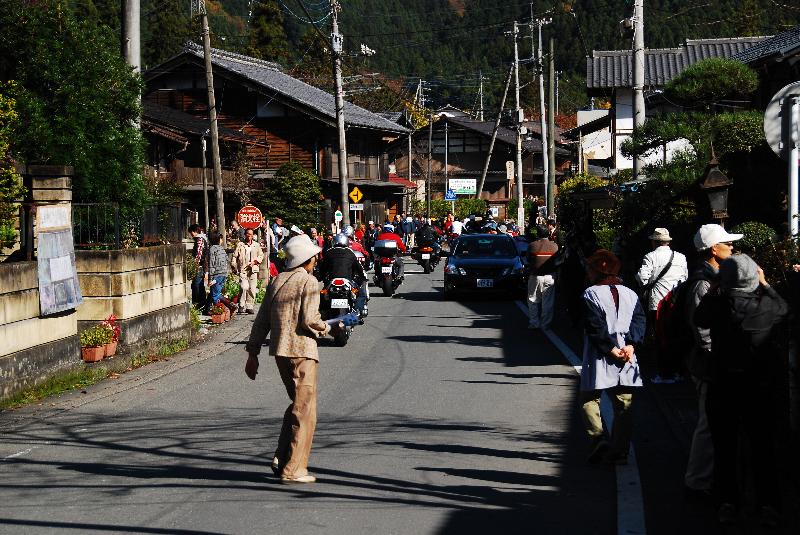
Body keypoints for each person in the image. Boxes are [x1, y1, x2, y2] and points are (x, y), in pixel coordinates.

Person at [245, 236, 354, 484]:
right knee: (305, 411)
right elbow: (310, 320)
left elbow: (262, 320)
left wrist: (253, 353)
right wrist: (332, 326)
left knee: (297, 404)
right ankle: (293, 469)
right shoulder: (309, 282)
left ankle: (282, 456)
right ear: (307, 260)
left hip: (281, 352)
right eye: (314, 256)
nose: (316, 260)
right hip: (302, 351)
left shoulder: (276, 281)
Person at [694, 254, 788, 526]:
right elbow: (785, 310)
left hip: (723, 384)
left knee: (725, 448)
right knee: (762, 447)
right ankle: (768, 503)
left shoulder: (719, 306)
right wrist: (766, 283)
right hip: (759, 387)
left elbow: (700, 317)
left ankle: (727, 502)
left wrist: (714, 288)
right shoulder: (766, 306)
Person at [683, 224, 742, 501]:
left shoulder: (715, 277)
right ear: (712, 250)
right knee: (708, 422)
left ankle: (709, 475)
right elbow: (702, 329)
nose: (732, 248)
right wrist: (713, 354)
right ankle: (697, 479)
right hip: (709, 362)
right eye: (727, 244)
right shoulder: (703, 282)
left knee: (715, 421)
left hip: (716, 359)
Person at [580, 250, 646, 465]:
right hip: (627, 354)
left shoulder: (590, 294)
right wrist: (631, 345)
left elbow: (594, 326)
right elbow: (639, 321)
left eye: (590, 269)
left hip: (600, 353)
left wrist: (610, 349)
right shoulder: (630, 293)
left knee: (590, 397)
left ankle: (598, 439)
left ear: (595, 271)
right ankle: (620, 450)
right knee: (624, 404)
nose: (588, 272)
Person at [635, 227, 688, 383]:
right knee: (675, 337)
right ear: (667, 241)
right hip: (676, 302)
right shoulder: (681, 257)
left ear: (654, 242)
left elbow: (643, 279)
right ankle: (677, 371)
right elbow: (685, 278)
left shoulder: (650, 257)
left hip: (657, 303)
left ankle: (664, 374)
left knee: (660, 338)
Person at [320, 234, 369, 315]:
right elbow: (358, 267)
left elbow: (323, 268)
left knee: (322, 294)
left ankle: (323, 311)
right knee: (361, 293)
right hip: (347, 280)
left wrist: (321, 277)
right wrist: (363, 277)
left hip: (332, 281)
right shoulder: (350, 252)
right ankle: (359, 310)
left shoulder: (328, 252)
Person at [527, 225, 559, 330]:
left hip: (535, 276)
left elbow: (528, 260)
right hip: (550, 276)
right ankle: (545, 324)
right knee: (548, 301)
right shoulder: (554, 246)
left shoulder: (532, 245)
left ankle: (534, 323)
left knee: (533, 300)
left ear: (538, 234)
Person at [231, 228, 265, 314]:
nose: (249, 236)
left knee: (252, 288)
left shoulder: (256, 245)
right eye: (248, 234)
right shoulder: (240, 245)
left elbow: (261, 255)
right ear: (245, 234)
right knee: (244, 286)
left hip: (253, 269)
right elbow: (235, 256)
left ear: (253, 235)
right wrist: (233, 265)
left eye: (251, 234)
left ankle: (249, 306)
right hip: (243, 269)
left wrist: (254, 262)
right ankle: (242, 305)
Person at [205, 231, 237, 315]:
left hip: (216, 275)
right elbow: (227, 260)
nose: (222, 240)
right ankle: (207, 310)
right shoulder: (221, 248)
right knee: (213, 292)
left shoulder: (212, 249)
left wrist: (210, 278)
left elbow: (211, 264)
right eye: (221, 238)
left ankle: (227, 306)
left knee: (216, 295)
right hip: (223, 274)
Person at [188, 224, 209, 308]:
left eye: (191, 232)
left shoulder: (200, 239)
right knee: (200, 285)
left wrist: (194, 265)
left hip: (199, 266)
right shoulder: (203, 238)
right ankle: (202, 303)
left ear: (195, 231)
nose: (191, 234)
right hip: (202, 266)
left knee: (196, 285)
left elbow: (198, 254)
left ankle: (197, 303)